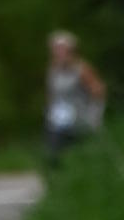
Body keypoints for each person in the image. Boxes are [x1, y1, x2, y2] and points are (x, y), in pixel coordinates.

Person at [44, 29, 107, 158]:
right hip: (59, 119)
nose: (58, 53)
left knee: (79, 151)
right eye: (56, 50)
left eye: (61, 49)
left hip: (80, 117)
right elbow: (52, 93)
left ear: (71, 51)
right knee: (54, 151)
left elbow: (99, 91)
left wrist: (95, 115)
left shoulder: (81, 69)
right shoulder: (54, 70)